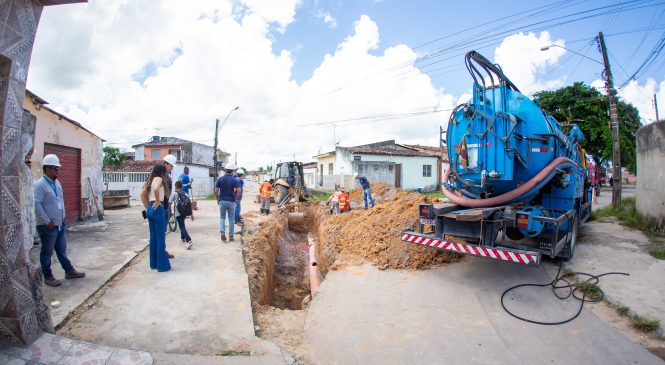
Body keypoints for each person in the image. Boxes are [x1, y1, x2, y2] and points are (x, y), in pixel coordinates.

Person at [34, 154, 86, 287]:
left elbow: (60, 201)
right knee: (47, 251)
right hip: (47, 226)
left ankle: (69, 271)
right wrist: (47, 221)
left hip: (59, 224)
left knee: (61, 250)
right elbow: (37, 205)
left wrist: (63, 217)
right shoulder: (40, 185)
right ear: (46, 169)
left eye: (58, 168)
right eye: (54, 168)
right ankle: (47, 275)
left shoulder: (57, 183)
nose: (57, 171)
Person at [140, 164, 171, 272]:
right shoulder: (158, 179)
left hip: (150, 209)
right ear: (162, 172)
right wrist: (158, 201)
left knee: (153, 238)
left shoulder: (150, 180)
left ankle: (153, 264)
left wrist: (148, 207)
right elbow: (157, 188)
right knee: (160, 237)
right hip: (158, 209)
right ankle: (162, 266)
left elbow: (142, 193)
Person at [214, 164, 239, 241]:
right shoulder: (235, 180)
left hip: (222, 201)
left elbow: (216, 191)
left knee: (222, 217)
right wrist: (235, 198)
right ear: (232, 171)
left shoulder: (220, 179)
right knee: (231, 218)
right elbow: (239, 192)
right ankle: (231, 236)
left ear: (225, 170)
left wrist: (218, 199)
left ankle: (222, 232)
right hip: (231, 201)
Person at [170, 181, 194, 250]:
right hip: (184, 213)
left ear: (175, 186)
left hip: (178, 213)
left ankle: (189, 240)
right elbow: (189, 204)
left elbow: (169, 203)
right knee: (182, 224)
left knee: (182, 227)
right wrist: (191, 214)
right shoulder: (185, 193)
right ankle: (182, 238)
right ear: (182, 187)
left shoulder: (174, 193)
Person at [162, 154, 176, 258]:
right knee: (162, 232)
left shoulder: (156, 175)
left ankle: (160, 251)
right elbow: (167, 196)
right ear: (166, 164)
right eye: (171, 166)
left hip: (159, 207)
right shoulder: (165, 178)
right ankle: (162, 252)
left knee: (160, 232)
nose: (172, 168)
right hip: (163, 207)